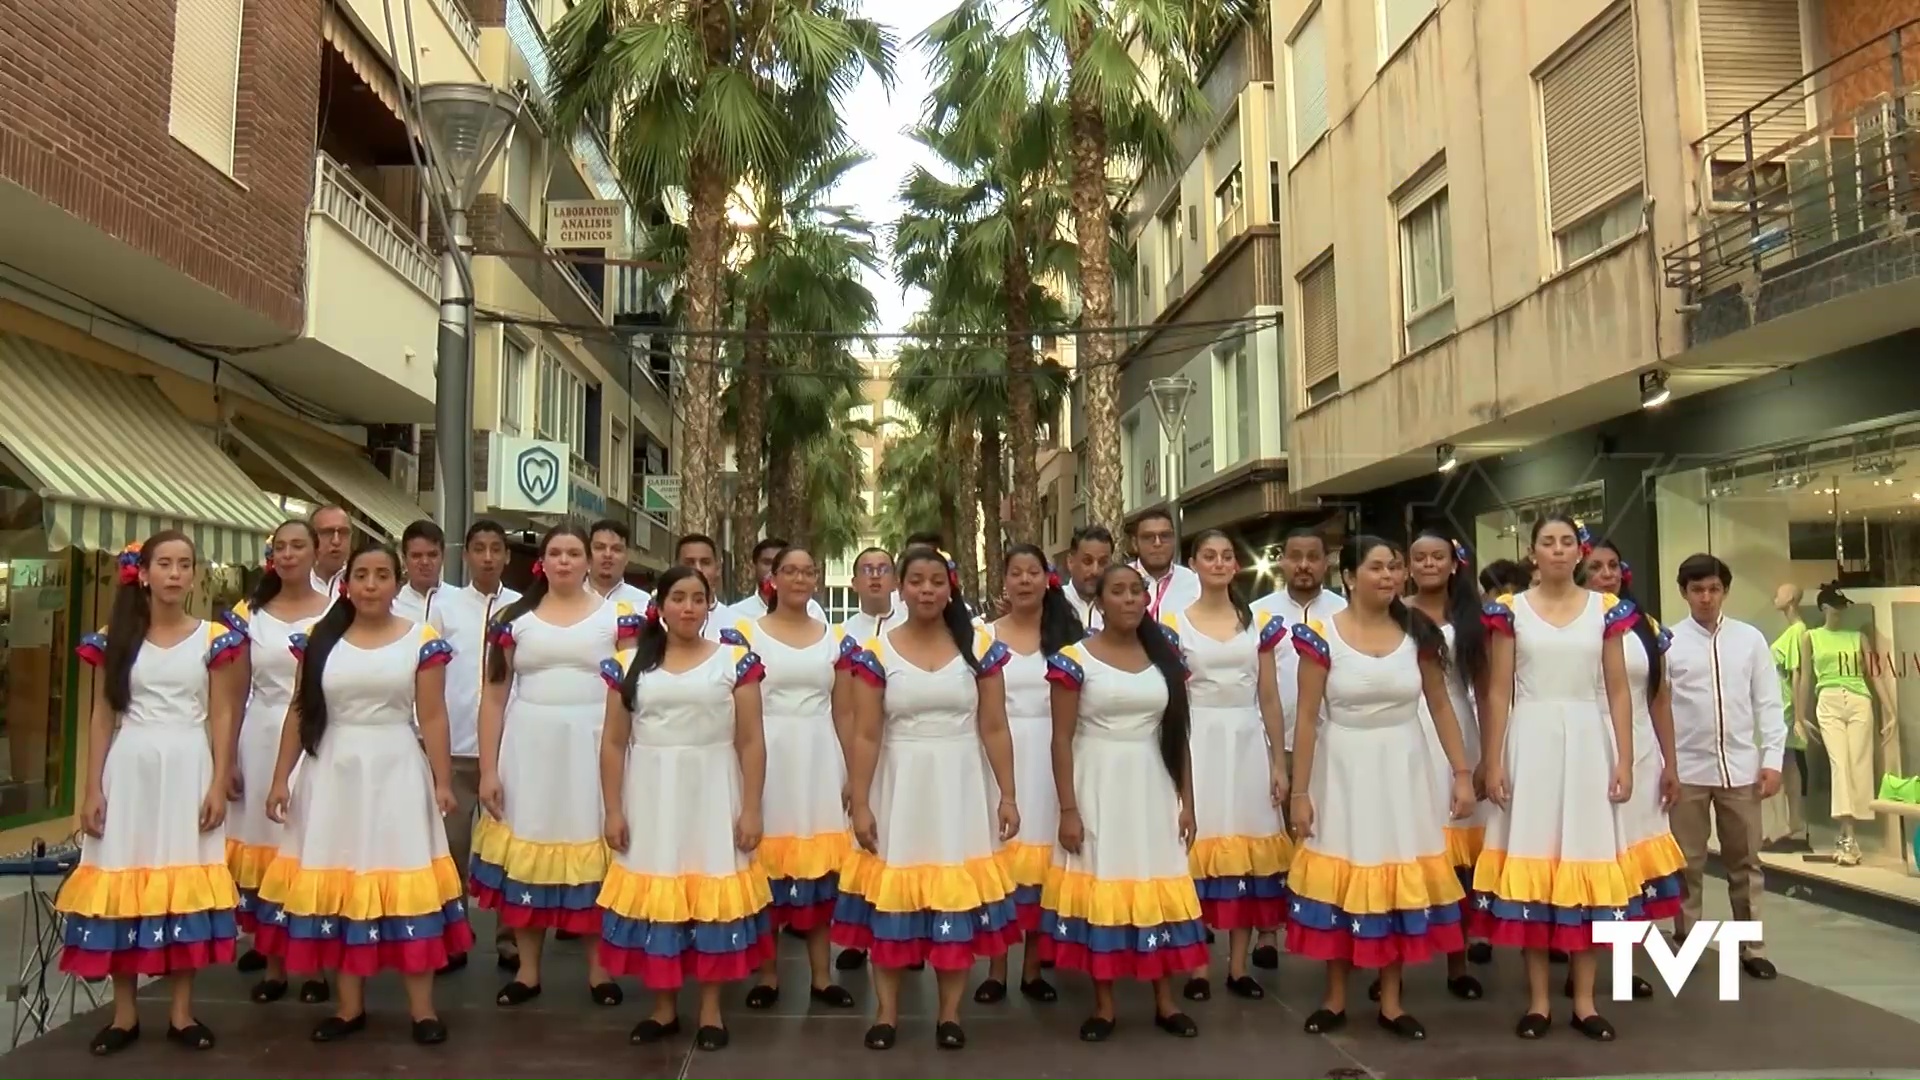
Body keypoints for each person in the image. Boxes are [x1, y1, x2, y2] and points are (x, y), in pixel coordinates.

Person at [255, 545, 467, 1045]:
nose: (371, 584)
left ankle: (422, 1010)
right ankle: (349, 1007)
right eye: (362, 575)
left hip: (395, 769)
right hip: (332, 771)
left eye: (381, 575)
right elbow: (300, 710)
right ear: (346, 583)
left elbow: (433, 715)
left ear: (396, 584)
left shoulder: (422, 639)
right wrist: (280, 777)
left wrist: (441, 780)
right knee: (344, 878)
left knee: (405, 878)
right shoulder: (319, 639)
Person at [58, 535, 244, 1055]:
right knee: (124, 877)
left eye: (185, 565)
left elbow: (223, 712)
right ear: (142, 573)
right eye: (164, 564)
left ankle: (182, 1013)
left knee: (182, 880)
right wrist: (91, 787)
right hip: (131, 767)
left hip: (189, 763)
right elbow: (102, 715)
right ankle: (124, 1014)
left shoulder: (213, 637)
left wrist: (218, 779)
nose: (175, 574)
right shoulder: (113, 639)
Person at [1286, 536, 1475, 1040]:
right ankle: (1335, 998)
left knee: (1395, 876)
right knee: (1345, 876)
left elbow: (1439, 706)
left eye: (1395, 567)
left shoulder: (1419, 633)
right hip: (1342, 767)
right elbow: (1305, 717)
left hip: (1404, 768)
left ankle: (1392, 1001)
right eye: (1377, 567)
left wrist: (1460, 773)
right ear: (1348, 576)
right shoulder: (1321, 635)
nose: (1390, 576)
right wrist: (1299, 793)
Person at [834, 548, 1021, 1051]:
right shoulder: (877, 651)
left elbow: (995, 725)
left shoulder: (979, 646)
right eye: (916, 581)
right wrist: (863, 798)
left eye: (936, 581)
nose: (926, 591)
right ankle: (887, 1014)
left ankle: (949, 1014)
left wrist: (1008, 794)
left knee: (951, 895)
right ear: (900, 587)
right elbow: (866, 733)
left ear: (950, 587)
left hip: (961, 783)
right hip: (900, 784)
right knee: (894, 896)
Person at [1473, 514, 1642, 1042]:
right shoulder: (1511, 612)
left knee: (1584, 863)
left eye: (1567, 541)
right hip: (1532, 737)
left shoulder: (1606, 610)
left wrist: (1625, 758)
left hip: (1590, 740)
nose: (1558, 550)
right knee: (1537, 865)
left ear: (1579, 552)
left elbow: (1617, 689)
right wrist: (1494, 758)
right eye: (1548, 542)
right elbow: (1499, 690)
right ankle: (1540, 1002)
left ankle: (1586, 1002)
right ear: (1532, 553)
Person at [598, 565, 773, 1050]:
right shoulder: (630, 663)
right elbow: (613, 743)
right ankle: (663, 1008)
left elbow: (752, 740)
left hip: (714, 790)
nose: (688, 607)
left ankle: (711, 1010)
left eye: (698, 598)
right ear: (661, 605)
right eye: (678, 597)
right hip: (652, 794)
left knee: (711, 894)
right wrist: (613, 809)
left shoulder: (735, 661)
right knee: (662, 895)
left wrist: (752, 807)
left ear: (709, 605)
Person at [1038, 563, 1204, 1041]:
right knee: (1105, 880)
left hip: (1152, 784)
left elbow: (1178, 736)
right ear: (1100, 600)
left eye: (1137, 591)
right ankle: (1105, 1004)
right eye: (1119, 591)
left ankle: (1165, 1000)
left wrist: (1186, 801)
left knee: (1156, 879)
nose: (1130, 599)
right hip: (1098, 784)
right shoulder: (1075, 659)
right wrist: (1069, 809)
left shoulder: (1166, 655)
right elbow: (1061, 739)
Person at [472, 524, 632, 1006]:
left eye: (574, 553)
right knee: (529, 851)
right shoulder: (512, 618)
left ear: (588, 562)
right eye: (556, 553)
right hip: (528, 750)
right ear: (542, 561)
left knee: (593, 851)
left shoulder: (618, 618)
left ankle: (599, 972)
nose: (565, 561)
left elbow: (631, 693)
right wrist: (487, 769)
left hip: (593, 746)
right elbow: (494, 697)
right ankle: (527, 971)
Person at [725, 546, 857, 1010]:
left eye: (807, 570)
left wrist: (851, 771)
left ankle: (823, 975)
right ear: (772, 578)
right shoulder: (744, 634)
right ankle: (768, 975)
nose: (799, 578)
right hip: (765, 751)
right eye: (789, 571)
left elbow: (843, 709)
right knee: (767, 865)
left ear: (817, 579)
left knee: (817, 866)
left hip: (819, 755)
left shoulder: (834, 638)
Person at [1161, 530, 1287, 1001]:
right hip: (1198, 739)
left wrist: (1278, 760)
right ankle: (1197, 967)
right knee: (1196, 848)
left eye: (1227, 555)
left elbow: (1269, 696)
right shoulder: (1175, 624)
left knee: (1247, 850)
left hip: (1247, 738)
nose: (1218, 562)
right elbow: (1172, 699)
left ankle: (1238, 966)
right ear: (1193, 564)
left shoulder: (1258, 623)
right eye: (1208, 556)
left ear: (1237, 565)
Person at [226, 521, 335, 1005]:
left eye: (298, 546)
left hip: (318, 736)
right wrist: (225, 755)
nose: (288, 555)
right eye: (280, 547)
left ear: (316, 552)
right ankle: (273, 965)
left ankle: (318, 967)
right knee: (268, 848)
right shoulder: (249, 613)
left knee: (312, 847)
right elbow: (232, 691)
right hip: (261, 733)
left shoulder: (338, 611)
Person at [1663, 553, 1782, 982]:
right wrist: (1666, 766)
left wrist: (1771, 759)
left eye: (1713, 589)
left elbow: (1768, 702)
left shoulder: (1749, 640)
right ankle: (1688, 943)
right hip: (1688, 770)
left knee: (1745, 863)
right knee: (1686, 864)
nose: (1706, 597)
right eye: (1697, 590)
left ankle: (1751, 948)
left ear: (1724, 591)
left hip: (1740, 771)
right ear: (1684, 593)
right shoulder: (1669, 641)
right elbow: (1658, 709)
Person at [975, 544, 1084, 1006]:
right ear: (1004, 581)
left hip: (1055, 752)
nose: (1024, 581)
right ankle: (997, 967)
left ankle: (1034, 968)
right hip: (998, 753)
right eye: (1015, 572)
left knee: (1046, 859)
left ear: (1047, 579)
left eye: (1032, 572)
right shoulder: (982, 636)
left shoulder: (1068, 638)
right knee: (1003, 855)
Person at [1580, 532, 1683, 1000]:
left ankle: (1624, 967)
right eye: (1596, 566)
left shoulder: (1645, 624)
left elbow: (1659, 696)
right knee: (1595, 857)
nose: (1606, 575)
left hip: (1642, 747)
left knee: (1635, 864)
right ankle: (1574, 960)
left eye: (1612, 566)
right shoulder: (1573, 621)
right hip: (1589, 745)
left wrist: (1670, 763)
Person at [1394, 529, 1492, 993]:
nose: (1430, 564)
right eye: (1420, 557)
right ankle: (1394, 965)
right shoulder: (1395, 613)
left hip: (1460, 733)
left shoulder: (1475, 617)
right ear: (1408, 566)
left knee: (1458, 859)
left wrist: (1489, 757)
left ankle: (1458, 963)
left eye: (1439, 556)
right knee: (1408, 850)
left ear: (1455, 563)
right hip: (1406, 730)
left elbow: (1489, 690)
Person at [1248, 527, 1346, 967]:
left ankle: (1326, 923)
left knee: (1326, 836)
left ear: (1328, 562)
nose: (1303, 565)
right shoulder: (1256, 615)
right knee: (1271, 836)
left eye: (1313, 557)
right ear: (1282, 561)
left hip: (1334, 744)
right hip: (1274, 743)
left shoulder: (1346, 613)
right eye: (1295, 557)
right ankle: (1267, 934)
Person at [434, 519, 521, 972]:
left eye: (496, 548)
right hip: (453, 749)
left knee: (506, 847)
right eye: (479, 548)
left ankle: (510, 939)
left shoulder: (523, 609)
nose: (488, 557)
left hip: (507, 751)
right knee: (451, 847)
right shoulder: (444, 606)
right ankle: (454, 936)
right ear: (465, 554)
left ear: (507, 556)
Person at [1797, 582, 1893, 867]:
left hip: (1859, 700)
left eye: (1842, 607)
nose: (1840, 612)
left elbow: (1874, 674)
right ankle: (1847, 835)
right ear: (1824, 607)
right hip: (1828, 700)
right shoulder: (1811, 637)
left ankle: (1849, 835)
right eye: (1835, 607)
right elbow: (1804, 677)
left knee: (1859, 764)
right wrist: (1801, 716)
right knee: (1839, 764)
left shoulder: (1857, 637)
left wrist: (1891, 712)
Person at [1764, 584, 1812, 852]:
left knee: (1774, 761)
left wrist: (1798, 716)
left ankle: (1783, 823)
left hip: (1784, 707)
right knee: (1788, 761)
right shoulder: (1795, 631)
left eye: (1779, 593)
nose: (1775, 597)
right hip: (1780, 703)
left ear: (1791, 598)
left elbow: (1799, 675)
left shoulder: (1798, 632)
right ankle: (1790, 821)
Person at [731, 537, 829, 620]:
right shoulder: (736, 613)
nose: (772, 569)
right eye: (767, 563)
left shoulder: (812, 610)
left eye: (781, 565)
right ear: (753, 568)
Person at [1128, 509, 1201, 620]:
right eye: (1148, 537)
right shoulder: (1118, 581)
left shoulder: (1194, 583)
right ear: (1134, 543)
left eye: (1165, 536)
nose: (1157, 543)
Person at [665, 533, 735, 640]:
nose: (698, 569)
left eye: (705, 563)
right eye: (689, 563)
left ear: (718, 569)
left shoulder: (736, 623)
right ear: (675, 568)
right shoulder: (660, 623)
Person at [839, 548, 905, 643]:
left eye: (883, 570)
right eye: (867, 570)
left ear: (895, 582)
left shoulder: (912, 631)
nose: (875, 576)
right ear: (854, 584)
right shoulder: (841, 636)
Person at [392, 520, 446, 632]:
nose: (425, 562)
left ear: (443, 556)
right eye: (416, 556)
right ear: (404, 559)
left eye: (432, 555)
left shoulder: (461, 602)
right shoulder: (393, 607)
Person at [1062, 525, 1115, 632]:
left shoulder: (1116, 607)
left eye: (1103, 562)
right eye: (1087, 561)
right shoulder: (1052, 603)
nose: (1095, 571)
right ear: (1070, 562)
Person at [587, 519, 651, 607]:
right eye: (600, 547)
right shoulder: (568, 596)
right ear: (588, 554)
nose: (607, 554)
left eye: (616, 549)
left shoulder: (643, 602)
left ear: (627, 557)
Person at [309, 505, 352, 594]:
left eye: (343, 532)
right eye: (327, 533)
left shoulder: (364, 586)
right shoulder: (293, 581)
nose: (336, 541)